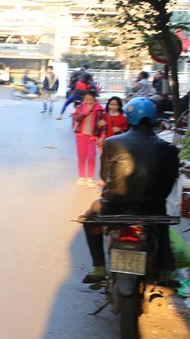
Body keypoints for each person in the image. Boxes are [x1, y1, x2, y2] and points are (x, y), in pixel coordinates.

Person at [79, 97, 180, 284]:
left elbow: (104, 177)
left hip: (113, 207)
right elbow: (169, 183)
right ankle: (166, 270)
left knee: (89, 220)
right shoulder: (169, 149)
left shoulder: (111, 143)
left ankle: (99, 268)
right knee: (162, 227)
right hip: (153, 209)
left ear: (129, 116)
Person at [72, 90, 106, 186]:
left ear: (94, 99)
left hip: (92, 137)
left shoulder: (99, 109)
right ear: (83, 99)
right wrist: (86, 111)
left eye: (91, 99)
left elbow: (102, 124)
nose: (88, 101)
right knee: (81, 157)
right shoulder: (80, 107)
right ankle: (81, 176)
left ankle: (90, 177)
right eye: (86, 99)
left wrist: (102, 136)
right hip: (81, 135)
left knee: (91, 157)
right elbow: (77, 118)